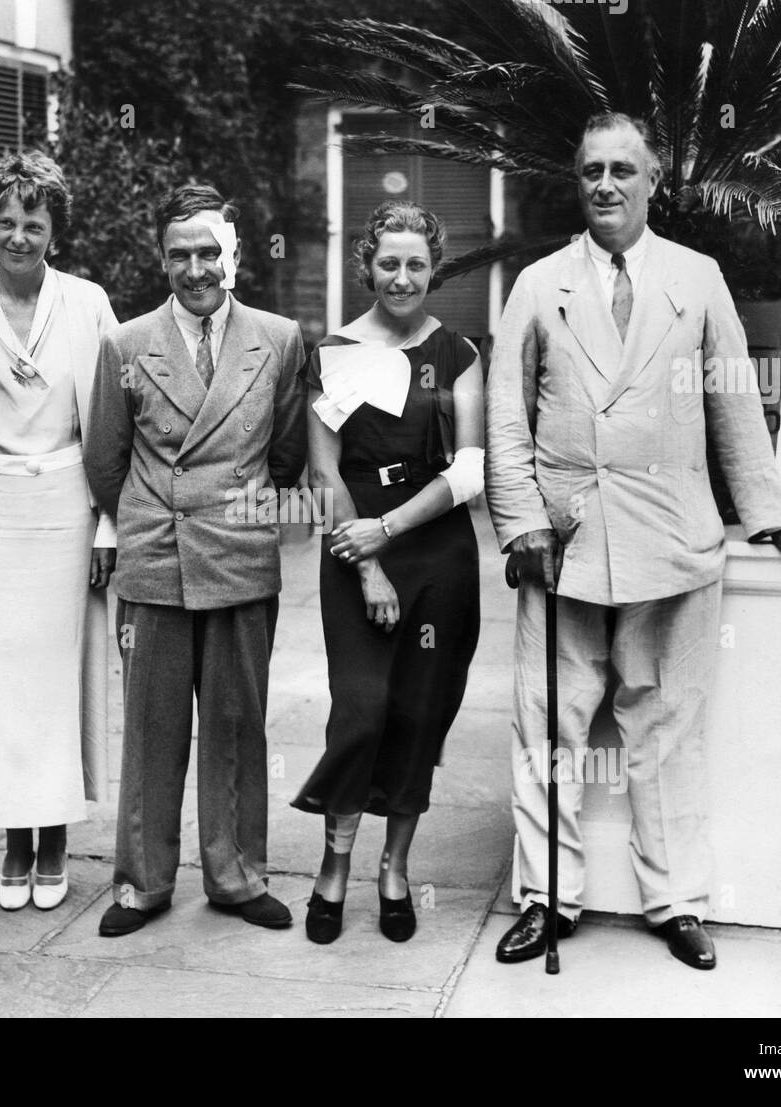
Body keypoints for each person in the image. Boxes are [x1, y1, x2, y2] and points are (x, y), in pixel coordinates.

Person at [486, 112, 781, 970]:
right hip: (564, 545)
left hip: (672, 540)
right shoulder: (540, 283)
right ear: (579, 181)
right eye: (591, 170)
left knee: (665, 728)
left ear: (652, 183)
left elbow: (733, 407)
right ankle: (547, 896)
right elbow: (505, 420)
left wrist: (772, 512)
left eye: (622, 171)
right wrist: (522, 521)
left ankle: (674, 900)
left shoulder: (697, 278)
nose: (605, 184)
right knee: (547, 725)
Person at [86, 184, 307, 936]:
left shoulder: (278, 339)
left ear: (233, 255)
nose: (195, 268)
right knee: (150, 727)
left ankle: (238, 875)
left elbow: (285, 454)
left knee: (237, 721)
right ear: (162, 259)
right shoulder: (125, 344)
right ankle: (143, 881)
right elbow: (104, 459)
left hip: (240, 554)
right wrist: (149, 519)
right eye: (179, 253)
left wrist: (240, 514)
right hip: (156, 556)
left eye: (208, 251)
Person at [0, 151, 117, 911]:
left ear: (54, 229)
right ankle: (14, 842)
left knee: (64, 674)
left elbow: (107, 421)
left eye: (33, 221)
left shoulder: (89, 303)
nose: (18, 235)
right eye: (5, 221)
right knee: (0, 682)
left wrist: (109, 522)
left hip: (71, 507)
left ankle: (57, 841)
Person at [290, 201, 484, 944]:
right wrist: (368, 562)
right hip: (352, 543)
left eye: (415, 264)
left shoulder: (459, 352)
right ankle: (334, 864)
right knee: (361, 709)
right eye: (387, 263)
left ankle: (395, 868)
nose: (401, 277)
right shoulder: (333, 351)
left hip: (436, 547)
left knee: (417, 713)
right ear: (366, 267)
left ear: (433, 269)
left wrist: (393, 528)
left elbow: (468, 470)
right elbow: (322, 468)